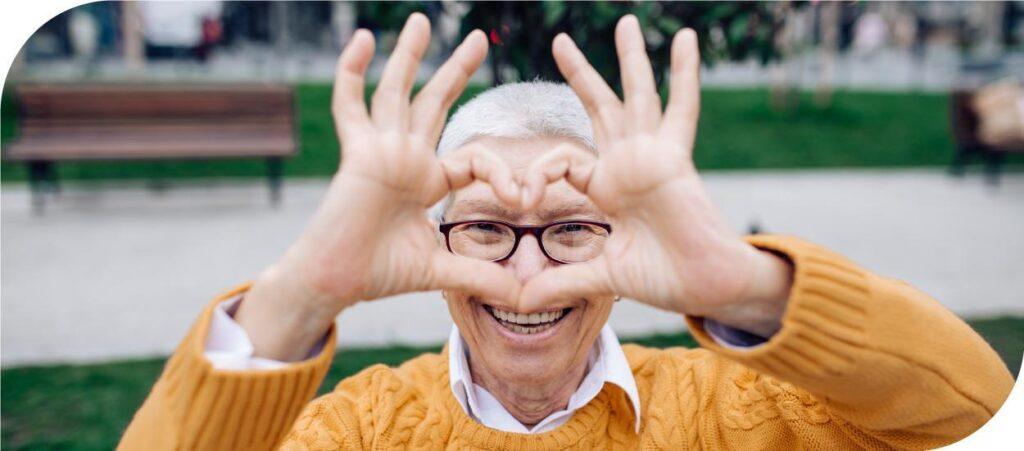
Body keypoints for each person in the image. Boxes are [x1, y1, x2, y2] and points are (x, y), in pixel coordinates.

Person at [119, 14, 1013, 450]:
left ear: (629, 247)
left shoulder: (738, 415)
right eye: (486, 228)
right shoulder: (356, 431)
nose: (527, 273)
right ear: (435, 242)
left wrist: (744, 285)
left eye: (571, 228)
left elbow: (977, 417)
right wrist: (305, 288)